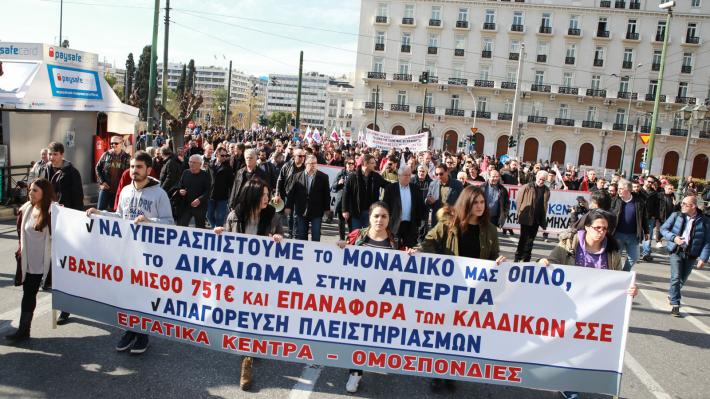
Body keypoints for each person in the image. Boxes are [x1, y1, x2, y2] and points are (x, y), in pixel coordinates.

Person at [539, 209, 638, 399]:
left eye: (605, 229)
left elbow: (619, 281)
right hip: (567, 308)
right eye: (597, 228)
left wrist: (631, 290)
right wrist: (543, 262)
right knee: (566, 348)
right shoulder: (569, 243)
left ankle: (574, 383)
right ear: (587, 227)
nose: (601, 232)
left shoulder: (613, 250)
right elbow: (550, 262)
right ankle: (568, 387)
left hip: (596, 312)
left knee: (584, 350)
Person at [86, 151, 174, 354]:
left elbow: (170, 223)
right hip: (127, 251)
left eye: (139, 167)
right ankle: (129, 330)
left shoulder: (159, 194)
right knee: (127, 293)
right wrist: (100, 214)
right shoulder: (125, 191)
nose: (134, 171)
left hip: (149, 254)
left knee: (143, 294)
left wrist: (149, 221)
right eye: (132, 167)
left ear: (149, 170)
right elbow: (119, 216)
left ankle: (143, 334)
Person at [420, 185, 506, 392]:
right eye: (475, 202)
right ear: (466, 203)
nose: (479, 206)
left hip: (476, 291)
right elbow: (428, 243)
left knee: (463, 333)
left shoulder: (491, 230)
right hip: (450, 289)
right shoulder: (449, 223)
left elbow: (494, 254)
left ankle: (451, 372)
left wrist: (499, 260)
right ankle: (436, 372)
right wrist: (440, 265)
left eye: (482, 202)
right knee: (444, 331)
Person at [337, 201, 415, 393]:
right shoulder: (357, 236)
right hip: (358, 297)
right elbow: (341, 263)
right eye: (376, 216)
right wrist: (340, 247)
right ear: (369, 218)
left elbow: (404, 271)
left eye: (384, 216)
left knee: (376, 335)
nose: (380, 220)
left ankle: (376, 359)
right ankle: (355, 373)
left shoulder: (395, 242)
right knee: (357, 335)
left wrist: (412, 255)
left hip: (384, 301)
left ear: (389, 219)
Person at [214, 178, 284, 391]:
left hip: (262, 277)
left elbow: (283, 238)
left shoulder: (272, 215)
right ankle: (249, 351)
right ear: (252, 195)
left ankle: (248, 357)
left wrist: (279, 238)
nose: (267, 198)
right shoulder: (235, 216)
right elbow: (226, 243)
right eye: (263, 195)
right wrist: (219, 235)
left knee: (256, 312)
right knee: (243, 313)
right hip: (239, 276)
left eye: (268, 194)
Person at [5, 179, 55, 343]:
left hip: (46, 263)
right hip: (29, 262)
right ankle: (23, 330)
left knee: (57, 291)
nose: (30, 193)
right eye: (30, 190)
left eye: (35, 191)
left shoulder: (52, 212)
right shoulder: (26, 209)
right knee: (28, 294)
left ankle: (65, 310)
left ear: (44, 194)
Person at [37, 141, 83, 319]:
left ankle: (65, 307)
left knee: (63, 265)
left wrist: (73, 219)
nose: (51, 157)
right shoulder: (44, 170)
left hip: (65, 222)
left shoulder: (72, 173)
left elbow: (77, 199)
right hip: (46, 219)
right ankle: (46, 281)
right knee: (47, 257)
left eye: (55, 154)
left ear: (62, 154)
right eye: (49, 154)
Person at [660, 195, 710, 317]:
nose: (681, 205)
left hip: (691, 254)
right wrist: (674, 238)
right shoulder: (676, 215)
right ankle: (676, 304)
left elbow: (707, 241)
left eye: (684, 204)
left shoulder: (705, 221)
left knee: (682, 279)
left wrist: (703, 258)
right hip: (676, 251)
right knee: (676, 277)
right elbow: (663, 229)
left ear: (693, 206)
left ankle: (672, 293)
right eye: (682, 203)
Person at [285, 155, 331, 241]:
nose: (313, 165)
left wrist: (327, 209)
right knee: (302, 235)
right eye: (311, 163)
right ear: (306, 164)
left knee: (316, 235)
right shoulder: (296, 176)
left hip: (317, 211)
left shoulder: (323, 177)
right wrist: (288, 206)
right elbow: (291, 193)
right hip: (301, 210)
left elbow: (326, 194)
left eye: (315, 163)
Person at [610, 179, 648, 271]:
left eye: (621, 188)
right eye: (618, 188)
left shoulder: (639, 202)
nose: (618, 190)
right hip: (618, 234)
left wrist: (646, 231)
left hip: (633, 235)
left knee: (634, 257)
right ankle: (616, 274)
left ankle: (625, 272)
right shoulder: (616, 201)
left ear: (628, 190)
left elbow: (643, 217)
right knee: (615, 258)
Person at [383, 166, 426, 248]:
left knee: (409, 250)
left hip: (411, 225)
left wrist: (420, 223)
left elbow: (420, 207)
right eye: (405, 175)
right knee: (395, 250)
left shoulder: (415, 189)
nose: (408, 177)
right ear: (399, 176)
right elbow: (385, 207)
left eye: (410, 175)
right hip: (395, 225)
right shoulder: (390, 188)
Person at [342, 154, 388, 230]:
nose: (375, 165)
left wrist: (400, 183)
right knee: (356, 236)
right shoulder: (353, 177)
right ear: (365, 164)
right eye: (372, 163)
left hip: (370, 212)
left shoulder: (376, 176)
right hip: (355, 212)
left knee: (368, 237)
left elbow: (387, 185)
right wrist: (345, 210)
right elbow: (345, 194)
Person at [515, 171, 551, 262]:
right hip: (526, 217)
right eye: (540, 179)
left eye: (543, 180)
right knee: (523, 239)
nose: (541, 181)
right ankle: (518, 257)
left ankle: (526, 258)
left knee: (531, 240)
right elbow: (518, 200)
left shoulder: (547, 190)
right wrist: (520, 213)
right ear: (536, 177)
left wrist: (542, 219)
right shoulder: (527, 187)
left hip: (537, 219)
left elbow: (545, 205)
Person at [276, 147, 306, 237]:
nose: (302, 158)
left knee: (297, 215)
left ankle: (296, 234)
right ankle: (290, 233)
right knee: (289, 215)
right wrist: (277, 194)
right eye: (300, 156)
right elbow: (280, 180)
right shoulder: (287, 166)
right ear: (294, 156)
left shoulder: (306, 167)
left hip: (301, 195)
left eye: (304, 156)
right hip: (288, 194)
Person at [95, 136, 131, 211]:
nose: (113, 145)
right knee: (99, 210)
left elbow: (129, 174)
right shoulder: (106, 155)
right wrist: (102, 182)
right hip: (105, 188)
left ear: (121, 144)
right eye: (111, 143)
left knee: (116, 211)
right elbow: (97, 168)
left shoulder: (127, 158)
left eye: (116, 143)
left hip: (119, 190)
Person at [176, 154, 212, 228]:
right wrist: (180, 190)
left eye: (194, 162)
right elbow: (180, 185)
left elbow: (208, 191)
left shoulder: (205, 175)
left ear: (200, 164)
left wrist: (199, 199)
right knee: (181, 226)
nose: (191, 164)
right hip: (186, 205)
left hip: (200, 206)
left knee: (200, 228)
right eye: (190, 162)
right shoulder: (185, 172)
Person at [207, 147, 233, 228]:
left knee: (220, 218)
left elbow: (231, 184)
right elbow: (207, 178)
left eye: (226, 156)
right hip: (211, 196)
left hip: (222, 197)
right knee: (209, 215)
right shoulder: (210, 164)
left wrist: (231, 198)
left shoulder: (228, 168)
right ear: (217, 154)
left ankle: (218, 234)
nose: (224, 157)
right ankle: (215, 229)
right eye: (222, 155)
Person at [332, 157, 355, 240]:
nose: (351, 165)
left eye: (352, 163)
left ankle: (351, 240)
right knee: (341, 222)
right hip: (341, 201)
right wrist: (339, 183)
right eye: (349, 163)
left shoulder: (356, 174)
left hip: (351, 202)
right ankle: (341, 239)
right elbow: (333, 187)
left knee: (351, 224)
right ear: (346, 164)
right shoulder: (341, 173)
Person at [641, 176, 660, 261]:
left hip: (649, 217)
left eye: (652, 182)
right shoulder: (639, 191)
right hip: (638, 216)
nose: (650, 183)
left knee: (648, 235)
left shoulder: (654, 193)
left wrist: (654, 216)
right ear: (644, 181)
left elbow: (657, 206)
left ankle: (646, 253)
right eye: (649, 181)